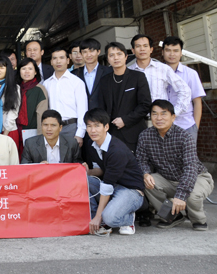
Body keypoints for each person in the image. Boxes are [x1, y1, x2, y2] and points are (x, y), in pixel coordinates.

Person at [136, 100, 213, 231]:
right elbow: (142, 160)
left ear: (173, 117)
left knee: (192, 196)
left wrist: (181, 196)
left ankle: (197, 218)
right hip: (168, 179)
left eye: (163, 114)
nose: (159, 118)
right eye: (154, 114)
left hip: (197, 177)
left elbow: (190, 168)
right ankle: (172, 216)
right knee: (147, 183)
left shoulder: (185, 137)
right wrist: (146, 173)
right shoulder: (145, 136)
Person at [82, 108, 145, 236]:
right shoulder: (92, 144)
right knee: (82, 180)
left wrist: (100, 216)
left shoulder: (116, 150)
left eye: (97, 126)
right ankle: (95, 218)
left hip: (131, 190)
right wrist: (86, 172)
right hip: (114, 186)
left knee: (109, 217)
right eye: (89, 126)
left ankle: (127, 218)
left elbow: (107, 185)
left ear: (106, 127)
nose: (92, 130)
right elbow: (101, 170)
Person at [99, 42, 152, 153]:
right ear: (108, 59)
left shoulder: (137, 77)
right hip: (112, 134)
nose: (116, 58)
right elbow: (102, 107)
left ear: (126, 57)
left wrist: (125, 120)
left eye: (119, 54)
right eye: (111, 55)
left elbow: (145, 104)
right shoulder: (104, 80)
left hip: (134, 131)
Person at [128, 34, 190, 118]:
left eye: (145, 46)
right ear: (133, 50)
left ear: (151, 49)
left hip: (160, 119)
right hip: (136, 120)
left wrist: (174, 112)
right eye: (138, 46)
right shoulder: (128, 72)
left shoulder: (163, 69)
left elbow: (184, 90)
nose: (142, 49)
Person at [162, 36, 206, 143]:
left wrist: (195, 127)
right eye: (168, 50)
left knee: (187, 159)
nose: (172, 54)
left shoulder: (191, 74)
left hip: (186, 125)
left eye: (176, 51)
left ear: (181, 53)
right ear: (162, 52)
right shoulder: (157, 73)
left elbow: (197, 102)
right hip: (162, 126)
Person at [42, 48, 87, 147]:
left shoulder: (76, 82)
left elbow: (82, 109)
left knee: (70, 160)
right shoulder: (46, 83)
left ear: (67, 60)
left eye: (61, 58)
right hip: (52, 127)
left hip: (71, 127)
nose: (58, 61)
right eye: (55, 58)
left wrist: (80, 134)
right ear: (51, 62)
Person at [10, 57, 49, 156]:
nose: (27, 72)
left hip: (33, 131)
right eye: (23, 69)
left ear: (35, 72)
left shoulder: (40, 89)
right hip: (14, 130)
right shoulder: (14, 88)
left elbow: (42, 114)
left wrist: (41, 136)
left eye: (30, 69)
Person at [73, 38, 108, 110]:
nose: (88, 55)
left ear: (98, 52)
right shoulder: (74, 74)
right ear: (81, 54)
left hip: (103, 117)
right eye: (84, 52)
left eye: (91, 51)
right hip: (82, 117)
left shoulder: (108, 71)